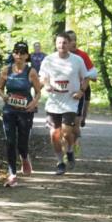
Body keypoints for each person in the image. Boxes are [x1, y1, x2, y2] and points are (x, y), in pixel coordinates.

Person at [39, 33, 89, 175]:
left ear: (69, 44)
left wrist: (81, 91)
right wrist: (47, 85)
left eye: (65, 42)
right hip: (54, 102)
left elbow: (86, 78)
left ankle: (70, 150)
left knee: (67, 132)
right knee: (54, 135)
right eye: (59, 43)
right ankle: (60, 162)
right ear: (56, 44)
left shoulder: (77, 60)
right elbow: (43, 77)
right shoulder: (48, 60)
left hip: (70, 101)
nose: (62, 45)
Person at [0, 42, 42, 186]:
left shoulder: (31, 72)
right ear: (13, 54)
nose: (19, 55)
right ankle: (12, 175)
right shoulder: (6, 70)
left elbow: (38, 92)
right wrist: (4, 96)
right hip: (9, 110)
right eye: (16, 52)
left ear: (27, 55)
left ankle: (24, 157)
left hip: (25, 111)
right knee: (10, 141)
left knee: (22, 142)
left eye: (22, 53)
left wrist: (33, 103)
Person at [64, 30, 98, 157]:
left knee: (75, 125)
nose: (74, 43)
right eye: (70, 40)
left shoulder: (82, 55)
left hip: (81, 91)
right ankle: (67, 149)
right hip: (65, 93)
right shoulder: (60, 56)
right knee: (65, 126)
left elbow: (93, 75)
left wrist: (85, 80)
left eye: (75, 40)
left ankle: (74, 143)